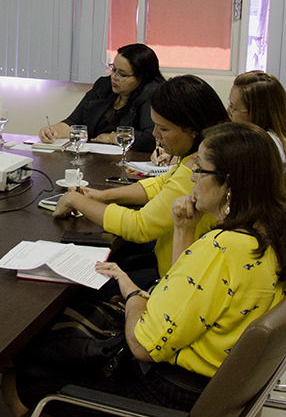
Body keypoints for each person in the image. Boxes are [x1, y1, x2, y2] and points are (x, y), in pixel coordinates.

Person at [16, 122, 286, 414]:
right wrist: (183, 229)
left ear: (228, 183)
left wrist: (132, 298)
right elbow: (187, 294)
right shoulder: (268, 232)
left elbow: (142, 345)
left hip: (163, 392)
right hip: (206, 381)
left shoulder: (222, 248)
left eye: (199, 169)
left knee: (26, 371)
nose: (191, 177)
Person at [51, 75, 229, 283]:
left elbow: (140, 227)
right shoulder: (205, 154)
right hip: (166, 259)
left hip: (170, 275)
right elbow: (161, 184)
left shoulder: (197, 170)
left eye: (163, 129)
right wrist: (102, 196)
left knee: (85, 284)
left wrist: (77, 201)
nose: (155, 134)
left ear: (192, 130)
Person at [39, 44, 165, 153]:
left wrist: (112, 138)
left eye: (122, 74)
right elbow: (74, 122)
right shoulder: (103, 86)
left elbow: (150, 139)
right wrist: (53, 131)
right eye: (113, 69)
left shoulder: (151, 94)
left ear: (142, 77)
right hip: (93, 160)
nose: (114, 77)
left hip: (130, 162)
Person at [228, 71, 286, 166]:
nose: (228, 111)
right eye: (229, 104)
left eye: (234, 108)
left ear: (257, 113)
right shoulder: (276, 141)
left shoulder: (261, 148)